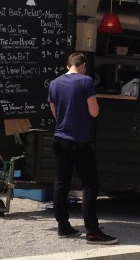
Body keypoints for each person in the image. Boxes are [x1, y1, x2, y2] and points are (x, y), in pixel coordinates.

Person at [48, 52, 117, 245]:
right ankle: (93, 232)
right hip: (79, 139)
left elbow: (54, 111)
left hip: (59, 138)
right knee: (89, 185)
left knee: (61, 182)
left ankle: (63, 226)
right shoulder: (86, 82)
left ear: (68, 65)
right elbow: (94, 112)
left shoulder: (54, 83)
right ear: (84, 65)